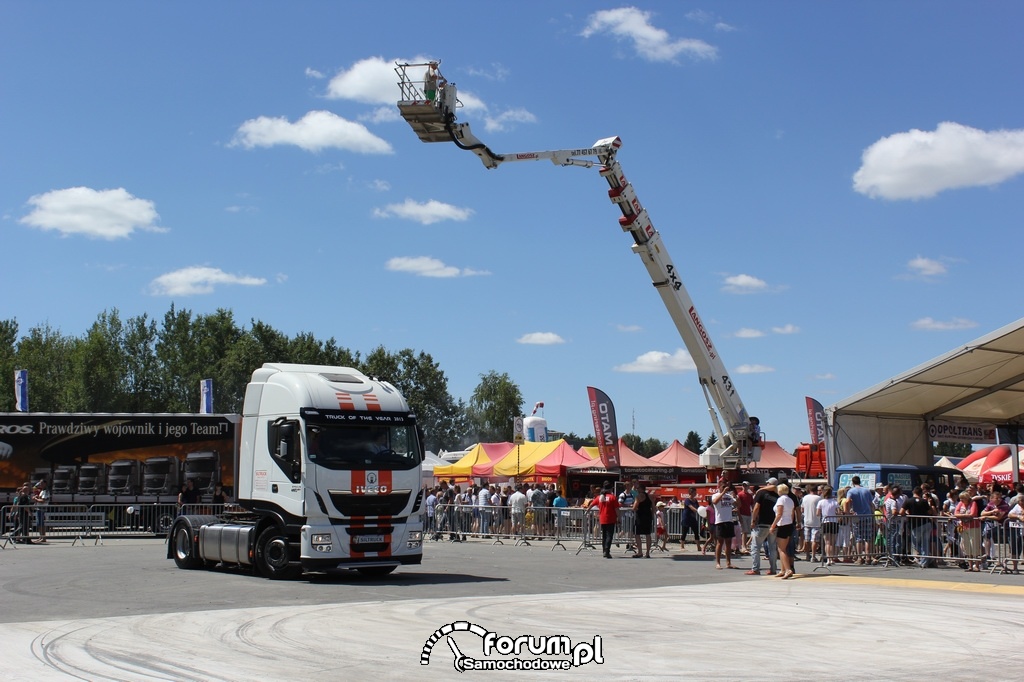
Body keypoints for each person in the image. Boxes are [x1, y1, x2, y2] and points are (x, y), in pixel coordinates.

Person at [747, 478, 779, 575]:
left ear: (768, 484)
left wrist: (753, 520)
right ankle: (773, 569)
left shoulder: (761, 493)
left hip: (762, 523)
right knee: (772, 547)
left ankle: (755, 569)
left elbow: (756, 508)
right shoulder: (778, 495)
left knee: (756, 546)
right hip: (773, 524)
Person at [845, 475, 876, 564]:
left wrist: (847, 512)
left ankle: (859, 558)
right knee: (867, 538)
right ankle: (868, 557)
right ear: (860, 481)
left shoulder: (851, 491)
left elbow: (847, 501)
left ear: (853, 482)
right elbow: (871, 503)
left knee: (858, 538)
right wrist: (873, 513)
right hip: (867, 515)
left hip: (857, 516)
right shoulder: (866, 490)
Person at [770, 483, 797, 579]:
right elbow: (792, 513)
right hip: (789, 524)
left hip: (782, 524)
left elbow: (779, 514)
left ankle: (788, 569)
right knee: (783, 547)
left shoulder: (781, 499)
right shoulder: (790, 500)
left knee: (781, 549)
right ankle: (783, 570)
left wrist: (773, 526)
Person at [711, 479, 738, 569]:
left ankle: (728, 562)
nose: (725, 488)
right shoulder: (715, 495)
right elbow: (714, 502)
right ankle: (718, 563)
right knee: (720, 542)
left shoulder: (729, 496)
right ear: (719, 487)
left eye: (726, 487)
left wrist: (735, 495)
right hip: (720, 521)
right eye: (723, 487)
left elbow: (738, 504)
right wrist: (722, 493)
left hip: (729, 520)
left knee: (728, 543)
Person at [953, 491, 982, 571]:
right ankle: (970, 565)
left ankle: (976, 565)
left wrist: (961, 516)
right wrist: (965, 516)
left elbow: (972, 514)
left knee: (974, 545)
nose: (961, 500)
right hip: (963, 526)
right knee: (966, 546)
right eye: (960, 498)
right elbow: (956, 513)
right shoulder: (960, 504)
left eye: (963, 498)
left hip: (973, 526)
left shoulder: (973, 503)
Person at [594, 482, 620, 559]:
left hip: (602, 518)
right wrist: (619, 517)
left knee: (604, 536)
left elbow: (592, 504)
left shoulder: (600, 497)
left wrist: (586, 512)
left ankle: (604, 551)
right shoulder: (613, 497)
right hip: (611, 518)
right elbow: (617, 509)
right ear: (610, 489)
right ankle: (607, 551)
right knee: (609, 535)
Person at [817, 486, 839, 565]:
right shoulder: (835, 502)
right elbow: (838, 512)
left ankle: (828, 558)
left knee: (827, 542)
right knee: (832, 542)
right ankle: (831, 558)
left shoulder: (821, 502)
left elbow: (818, 513)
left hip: (825, 522)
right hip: (834, 522)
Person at [801, 484, 822, 562]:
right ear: (816, 490)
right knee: (814, 540)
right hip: (816, 521)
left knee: (807, 539)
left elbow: (802, 509)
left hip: (807, 521)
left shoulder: (805, 498)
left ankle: (807, 555)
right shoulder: (819, 498)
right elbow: (820, 509)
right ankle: (813, 556)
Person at [632, 482, 654, 558]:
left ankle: (640, 552)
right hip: (648, 516)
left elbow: (634, 508)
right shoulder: (650, 496)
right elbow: (653, 508)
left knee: (637, 534)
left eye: (638, 488)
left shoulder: (638, 496)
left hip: (640, 517)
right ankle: (647, 553)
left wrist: (635, 507)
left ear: (641, 489)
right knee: (648, 535)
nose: (637, 490)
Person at [1006, 493, 1023, 574]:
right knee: (1015, 548)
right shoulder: (1017, 507)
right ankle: (1015, 567)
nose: (1022, 503)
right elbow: (1010, 514)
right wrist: (1018, 517)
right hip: (1016, 530)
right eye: (1020, 501)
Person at [736, 481, 754, 554]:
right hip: (742, 514)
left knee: (746, 531)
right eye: (743, 485)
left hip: (748, 514)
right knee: (744, 531)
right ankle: (743, 546)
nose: (744, 487)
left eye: (746, 486)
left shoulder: (749, 495)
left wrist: (753, 513)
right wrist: (739, 515)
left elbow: (752, 504)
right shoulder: (739, 494)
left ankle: (744, 546)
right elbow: (738, 506)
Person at [32, 479, 50, 543]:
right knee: (38, 523)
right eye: (40, 483)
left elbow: (43, 501)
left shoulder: (46, 491)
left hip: (42, 509)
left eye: (41, 483)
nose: (40, 485)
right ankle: (41, 536)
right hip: (38, 508)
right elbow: (34, 488)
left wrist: (36, 498)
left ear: (45, 484)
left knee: (41, 523)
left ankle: (43, 537)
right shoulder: (42, 491)